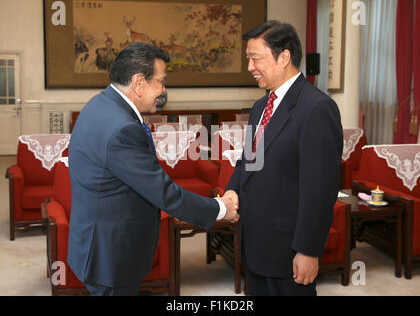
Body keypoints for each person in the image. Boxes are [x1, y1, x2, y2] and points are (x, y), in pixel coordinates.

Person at [67, 42, 239, 296]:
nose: (163, 90)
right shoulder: (121, 128)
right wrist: (220, 208)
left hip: (98, 243)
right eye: (161, 82)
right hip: (111, 256)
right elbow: (164, 193)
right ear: (138, 83)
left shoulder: (100, 105)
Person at [224, 21, 343, 296]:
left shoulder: (317, 108)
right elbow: (249, 161)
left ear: (284, 57)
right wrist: (231, 189)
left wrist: (308, 250)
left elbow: (320, 189)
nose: (250, 67)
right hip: (255, 242)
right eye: (248, 59)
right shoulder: (259, 107)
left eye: (255, 58)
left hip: (288, 249)